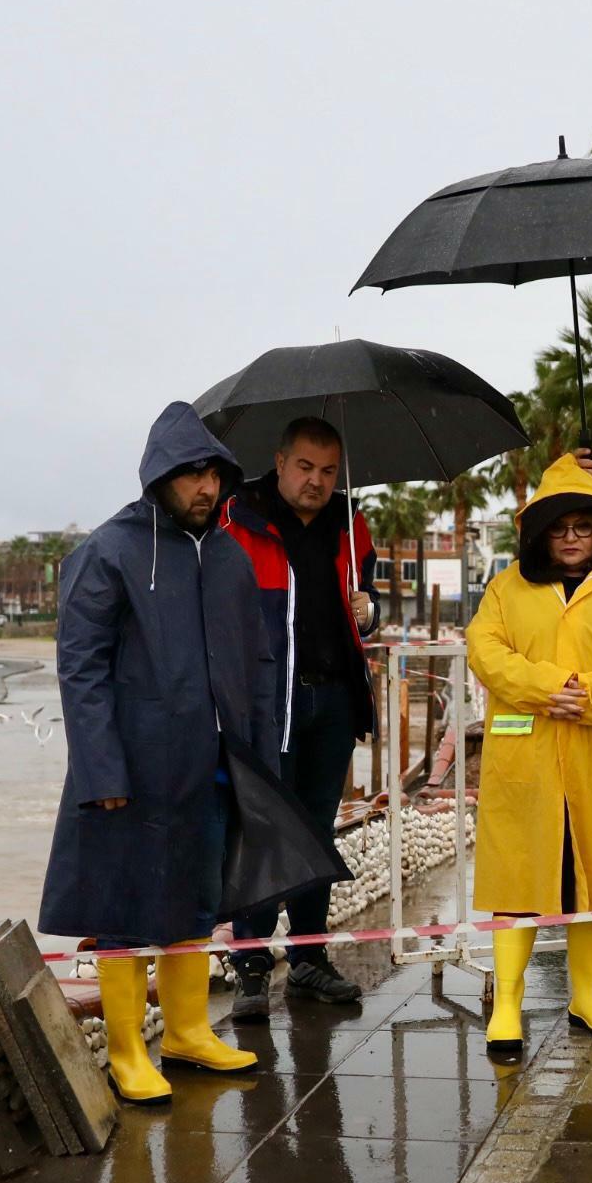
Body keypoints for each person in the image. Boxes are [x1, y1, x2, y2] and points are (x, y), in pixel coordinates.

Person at [40, 403, 279, 1101]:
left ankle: (186, 1033)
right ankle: (125, 1052)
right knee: (122, 908)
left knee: (198, 902)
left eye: (213, 474)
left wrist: (258, 758)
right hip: (129, 771)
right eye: (190, 475)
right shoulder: (107, 552)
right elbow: (79, 669)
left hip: (211, 765)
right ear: (159, 477)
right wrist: (100, 770)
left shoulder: (229, 554)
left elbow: (256, 662)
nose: (205, 488)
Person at [466, 456, 592, 1060]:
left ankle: (588, 995)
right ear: (539, 532)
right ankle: (507, 1003)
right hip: (526, 761)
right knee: (519, 877)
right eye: (559, 529)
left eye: (582, 527)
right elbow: (485, 649)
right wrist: (545, 686)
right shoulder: (508, 585)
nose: (571, 540)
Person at [221, 416, 378, 1021]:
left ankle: (310, 959)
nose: (316, 481)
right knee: (261, 831)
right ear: (280, 462)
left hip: (334, 698)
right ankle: (252, 967)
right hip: (266, 706)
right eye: (305, 467)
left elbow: (365, 602)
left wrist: (371, 610)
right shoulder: (238, 520)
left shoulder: (351, 524)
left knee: (315, 830)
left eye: (328, 471)